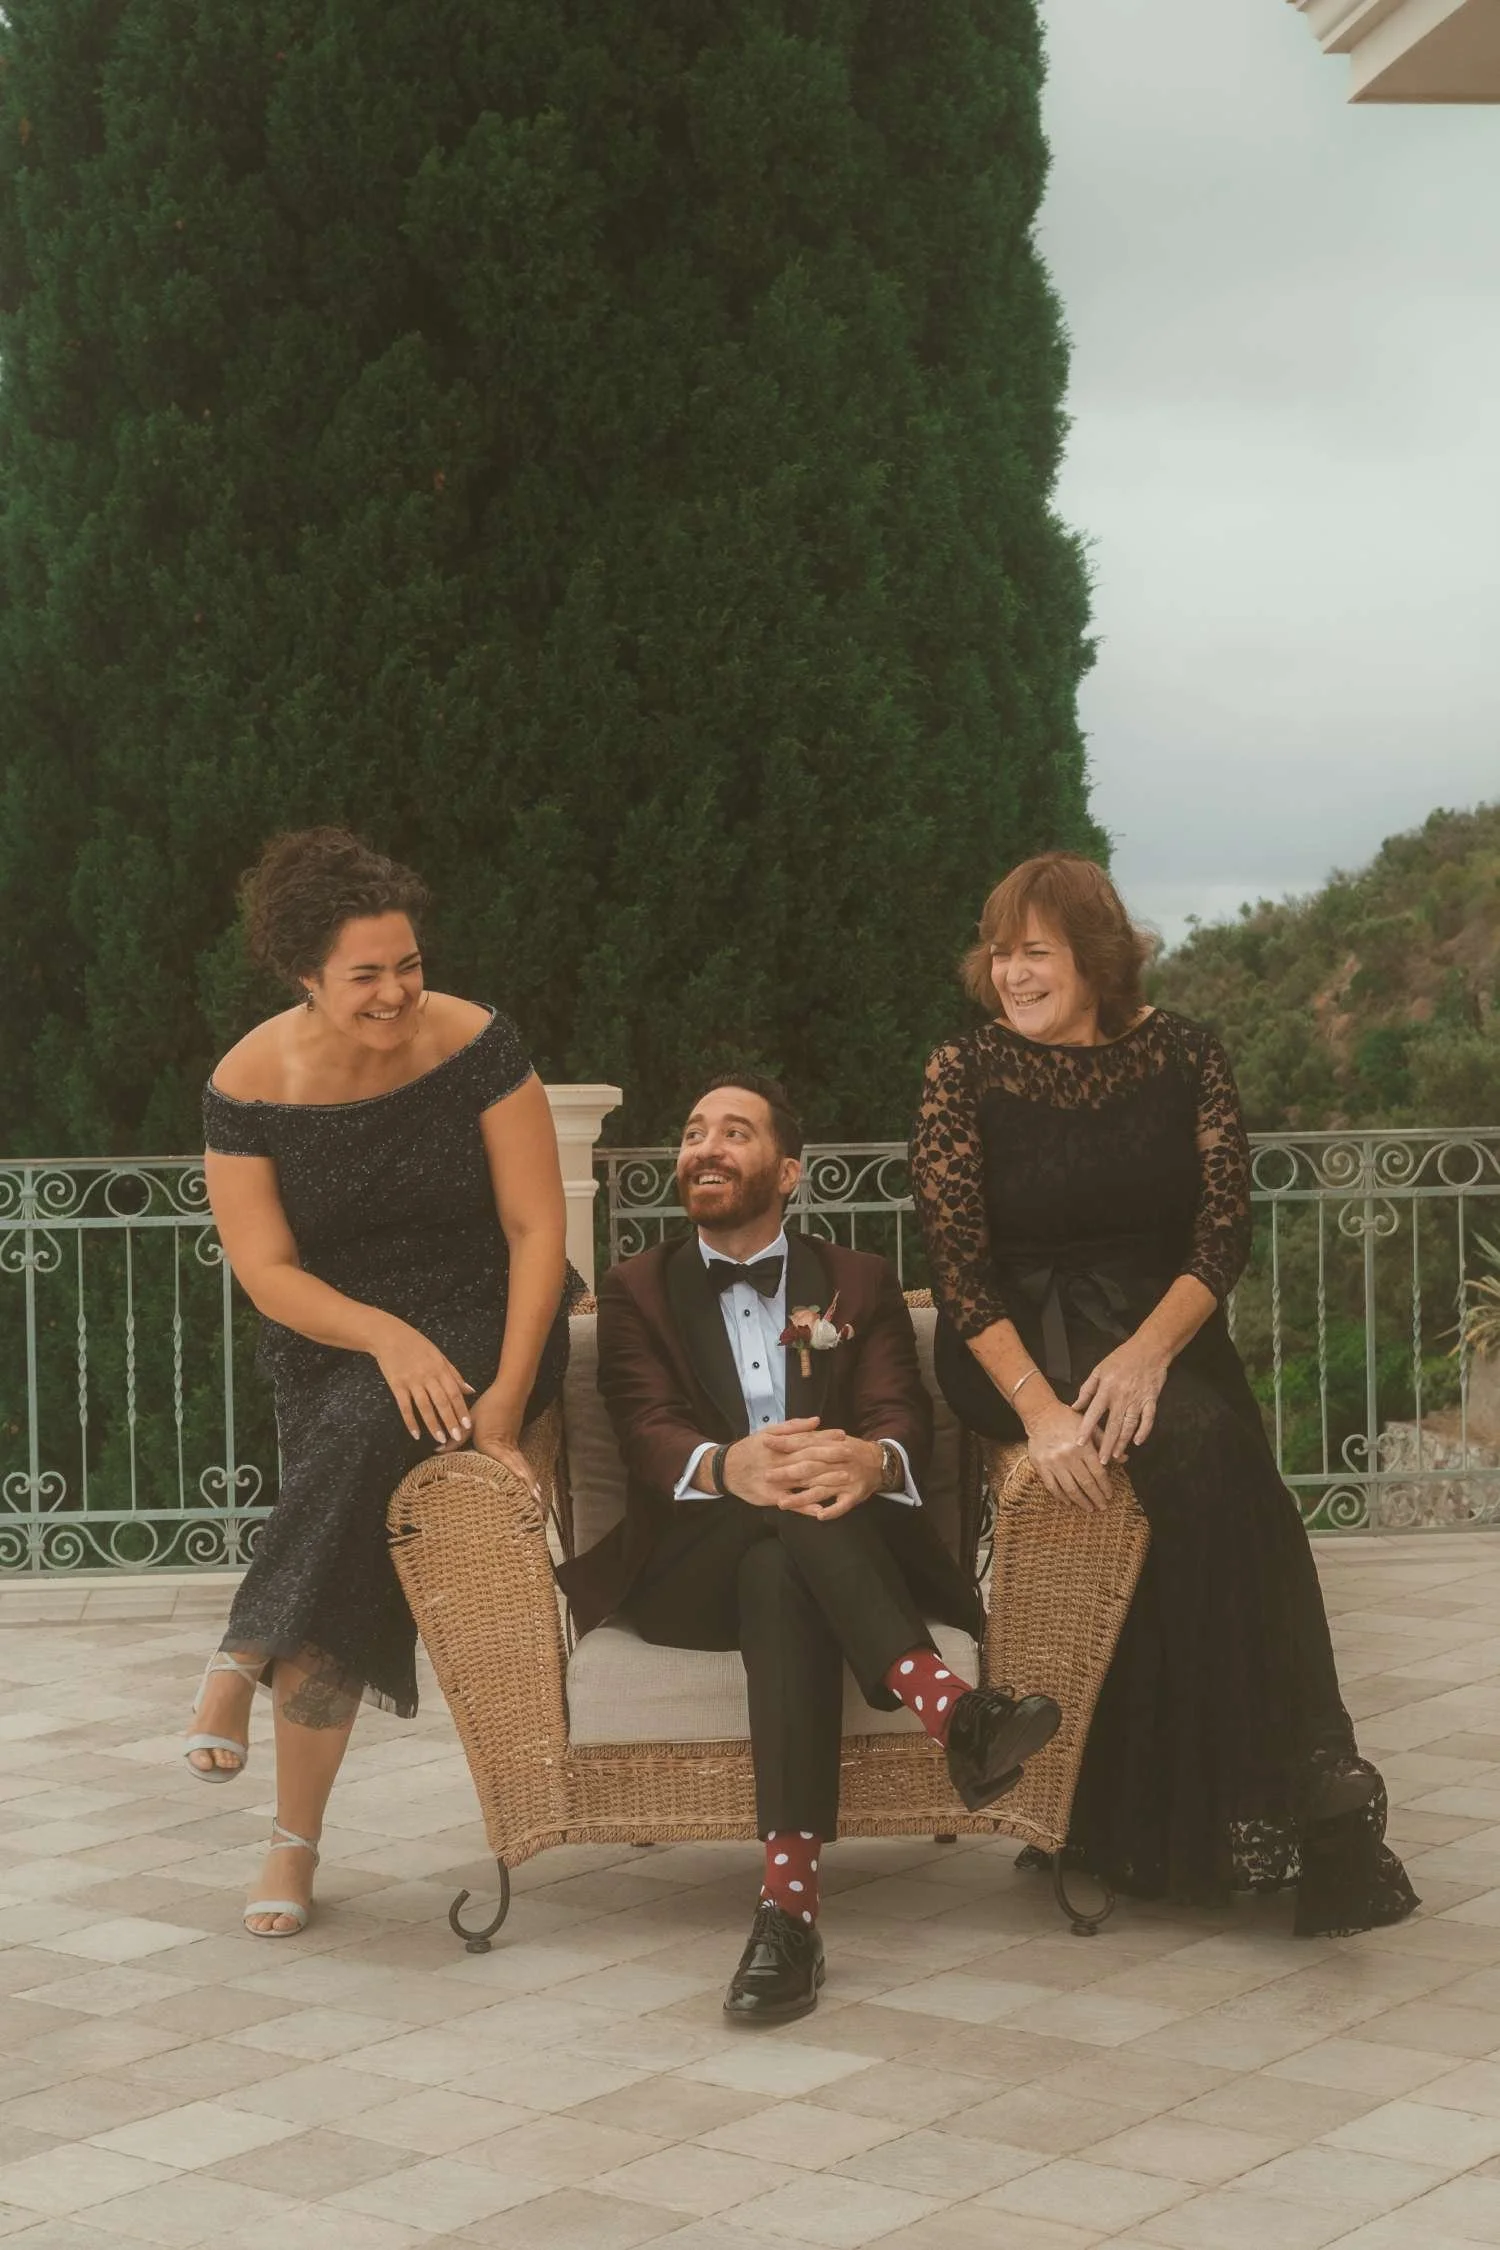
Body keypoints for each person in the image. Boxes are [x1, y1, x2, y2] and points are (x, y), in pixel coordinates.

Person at [911, 851, 1417, 1936]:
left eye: (1035, 952)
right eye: (1000, 954)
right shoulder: (963, 1071)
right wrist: (1045, 1414)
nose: (1012, 973)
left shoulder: (1187, 1054)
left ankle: (1150, 1806)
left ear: (1095, 957)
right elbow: (957, 1268)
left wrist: (1146, 1354)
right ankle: (1314, 1785)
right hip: (1021, 1344)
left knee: (1230, 1478)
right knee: (1203, 1455)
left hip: (1162, 1333)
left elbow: (1222, 1232)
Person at [560, 1072, 1063, 2023]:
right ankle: (952, 1711)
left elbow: (896, 1414)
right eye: (694, 1129)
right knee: (771, 1518)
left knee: (780, 1563)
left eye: (735, 1132)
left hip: (815, 1551)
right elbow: (644, 1425)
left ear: (788, 1171)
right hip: (683, 1569)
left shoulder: (858, 1281)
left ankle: (787, 1918)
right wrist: (726, 1466)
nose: (705, 1146)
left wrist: (874, 1462)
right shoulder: (636, 1290)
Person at [186, 827, 576, 1937]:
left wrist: (502, 1399)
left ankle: (242, 1661)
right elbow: (266, 1272)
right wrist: (386, 1338)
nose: (399, 991)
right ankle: (293, 1836)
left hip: (495, 1310)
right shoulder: (247, 1084)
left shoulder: (478, 1043)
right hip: (339, 1335)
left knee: (359, 1438)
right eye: (368, 973)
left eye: (408, 963)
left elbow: (536, 1224)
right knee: (355, 1478)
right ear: (304, 973)